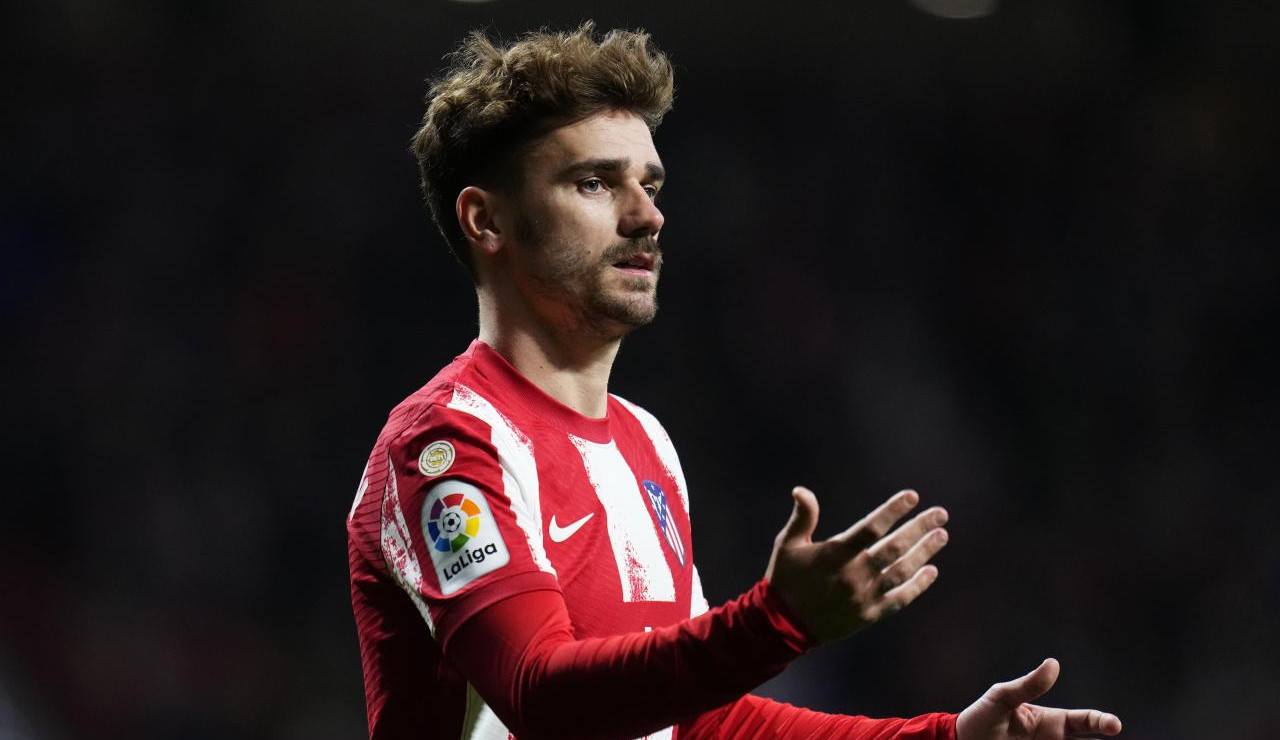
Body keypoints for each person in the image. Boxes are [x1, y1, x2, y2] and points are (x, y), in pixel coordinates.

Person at [346, 23, 1123, 740]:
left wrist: (944, 738)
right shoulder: (447, 443)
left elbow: (699, 721)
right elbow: (539, 696)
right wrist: (775, 621)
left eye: (651, 185)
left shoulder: (644, 442)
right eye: (595, 184)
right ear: (486, 221)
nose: (647, 216)